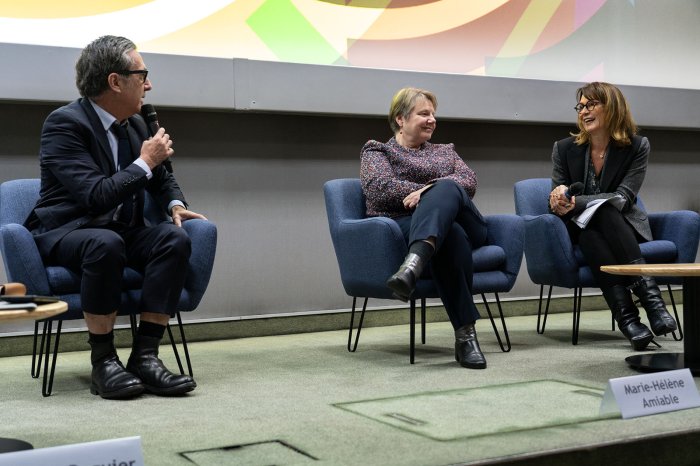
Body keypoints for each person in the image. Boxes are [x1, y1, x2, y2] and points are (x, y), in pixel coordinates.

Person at [24, 35, 207, 399]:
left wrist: (173, 203)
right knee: (103, 242)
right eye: (142, 74)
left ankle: (146, 357)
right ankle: (103, 361)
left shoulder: (136, 123)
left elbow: (163, 177)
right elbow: (95, 196)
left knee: (174, 239)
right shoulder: (63, 124)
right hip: (71, 230)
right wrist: (145, 162)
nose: (149, 84)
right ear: (115, 81)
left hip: (121, 228)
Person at [360, 87, 488, 369]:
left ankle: (412, 266)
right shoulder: (377, 151)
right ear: (401, 119)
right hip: (408, 226)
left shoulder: (445, 151)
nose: (432, 119)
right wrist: (432, 191)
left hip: (469, 222)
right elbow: (380, 190)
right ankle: (466, 337)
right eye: (423, 114)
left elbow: (469, 182)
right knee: (451, 236)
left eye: (433, 114)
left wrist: (432, 190)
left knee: (449, 186)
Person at [549, 81, 677, 351]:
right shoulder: (563, 148)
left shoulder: (637, 146)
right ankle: (652, 305)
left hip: (622, 225)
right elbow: (558, 189)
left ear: (613, 107)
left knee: (601, 217)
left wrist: (578, 202)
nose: (583, 111)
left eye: (591, 104)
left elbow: (624, 197)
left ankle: (629, 321)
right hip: (576, 225)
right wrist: (558, 196)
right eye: (580, 106)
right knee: (589, 227)